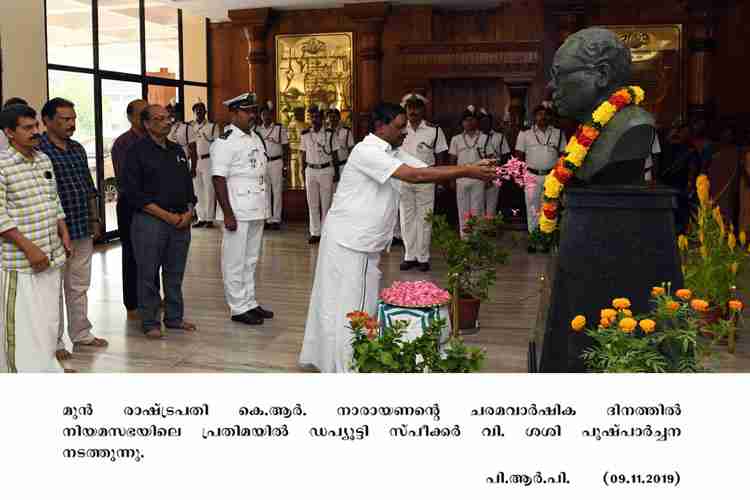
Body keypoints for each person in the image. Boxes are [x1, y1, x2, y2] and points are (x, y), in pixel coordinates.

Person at [299, 102, 497, 373]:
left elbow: (426, 169)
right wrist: (467, 171)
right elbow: (414, 175)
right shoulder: (367, 151)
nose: (405, 131)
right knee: (353, 305)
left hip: (354, 239)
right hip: (350, 241)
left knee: (343, 302)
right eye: (399, 126)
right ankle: (349, 367)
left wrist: (473, 166)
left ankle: (336, 361)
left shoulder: (392, 150)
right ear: (380, 126)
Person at [0, 104, 72, 372]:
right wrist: (29, 249)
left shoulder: (43, 159)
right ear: (9, 132)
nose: (35, 132)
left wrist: (63, 232)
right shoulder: (2, 165)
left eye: (36, 126)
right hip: (20, 264)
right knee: (20, 328)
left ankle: (46, 371)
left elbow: (54, 201)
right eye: (27, 128)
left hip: (51, 256)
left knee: (48, 323)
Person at [38, 98, 108, 360]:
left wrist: (95, 219)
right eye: (65, 119)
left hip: (81, 226)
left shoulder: (77, 148)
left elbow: (88, 188)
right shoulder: (40, 150)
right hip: (53, 231)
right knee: (53, 287)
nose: (71, 124)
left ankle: (81, 333)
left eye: (73, 119)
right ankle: (55, 341)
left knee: (79, 284)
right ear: (47, 121)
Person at [123, 104, 197, 339]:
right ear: (146, 124)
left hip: (180, 222)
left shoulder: (176, 149)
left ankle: (174, 318)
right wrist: (167, 216)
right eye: (160, 119)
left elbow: (188, 187)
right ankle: (150, 322)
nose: (167, 122)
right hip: (150, 221)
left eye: (168, 118)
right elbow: (134, 194)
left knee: (175, 273)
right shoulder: (135, 152)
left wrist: (189, 211)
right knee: (148, 274)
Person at [211, 92, 274, 326]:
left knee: (251, 259)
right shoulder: (225, 142)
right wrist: (227, 213)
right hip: (236, 209)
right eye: (247, 111)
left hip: (256, 206)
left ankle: (249, 301)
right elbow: (218, 179)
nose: (252, 115)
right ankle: (237, 307)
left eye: (253, 111)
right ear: (234, 113)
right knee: (234, 260)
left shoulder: (255, 137)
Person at [398, 93, 448, 272]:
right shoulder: (399, 129)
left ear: (423, 109)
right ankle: (409, 256)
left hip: (426, 179)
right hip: (404, 179)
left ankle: (423, 257)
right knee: (406, 218)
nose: (413, 111)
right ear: (405, 109)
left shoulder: (434, 130)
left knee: (425, 218)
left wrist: (440, 179)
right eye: (410, 107)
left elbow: (440, 156)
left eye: (417, 107)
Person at [112, 99, 148, 319]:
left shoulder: (154, 140)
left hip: (154, 207)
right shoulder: (123, 143)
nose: (146, 119)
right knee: (132, 255)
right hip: (131, 205)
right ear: (131, 117)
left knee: (153, 254)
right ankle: (132, 304)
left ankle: (151, 296)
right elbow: (125, 179)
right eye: (142, 114)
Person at [514, 105, 566, 252]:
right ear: (534, 117)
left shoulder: (559, 133)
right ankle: (534, 239)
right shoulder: (525, 134)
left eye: (545, 114)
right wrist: (519, 176)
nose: (542, 117)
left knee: (549, 208)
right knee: (532, 208)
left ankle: (546, 240)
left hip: (552, 176)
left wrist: (561, 178)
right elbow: (518, 156)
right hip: (531, 175)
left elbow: (564, 156)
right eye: (539, 114)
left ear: (550, 117)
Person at [449, 105, 490, 236]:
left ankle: (476, 238)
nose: (469, 122)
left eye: (472, 119)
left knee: (477, 209)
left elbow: (489, 160)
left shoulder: (485, 138)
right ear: (462, 123)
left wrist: (488, 177)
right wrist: (452, 179)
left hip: (478, 177)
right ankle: (465, 238)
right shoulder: (456, 139)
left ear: (477, 122)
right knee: (463, 209)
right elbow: (452, 160)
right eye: (466, 120)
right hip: (461, 178)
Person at [299, 105, 336, 244]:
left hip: (326, 170)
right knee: (312, 203)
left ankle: (325, 233)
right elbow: (302, 154)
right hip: (311, 170)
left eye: (317, 117)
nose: (314, 119)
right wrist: (303, 171)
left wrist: (336, 172)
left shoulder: (329, 133)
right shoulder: (305, 134)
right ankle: (315, 233)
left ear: (322, 118)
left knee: (326, 204)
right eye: (312, 117)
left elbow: (335, 153)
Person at [257, 102, 289, 230]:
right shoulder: (258, 129)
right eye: (263, 114)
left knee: (277, 191)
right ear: (261, 116)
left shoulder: (279, 128)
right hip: (263, 163)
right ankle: (267, 218)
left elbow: (286, 147)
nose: (265, 116)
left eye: (267, 114)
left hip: (276, 162)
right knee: (265, 191)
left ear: (271, 115)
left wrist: (286, 166)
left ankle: (276, 219)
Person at [190, 102, 221, 228]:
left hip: (208, 160)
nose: (199, 112)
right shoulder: (191, 127)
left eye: (201, 110)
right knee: (197, 190)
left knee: (209, 189)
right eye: (196, 110)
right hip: (195, 161)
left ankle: (209, 218)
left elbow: (218, 145)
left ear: (205, 112)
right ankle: (201, 217)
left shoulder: (212, 126)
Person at [478, 108, 511, 216]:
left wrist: (501, 172)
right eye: (483, 121)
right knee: (478, 204)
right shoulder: (476, 137)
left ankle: (489, 231)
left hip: (495, 173)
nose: (485, 123)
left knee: (492, 205)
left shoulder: (499, 137)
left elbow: (506, 155)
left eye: (487, 121)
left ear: (491, 122)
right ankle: (480, 230)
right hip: (478, 174)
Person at [327, 107, 354, 184]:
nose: (332, 119)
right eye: (330, 117)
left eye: (334, 117)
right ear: (328, 118)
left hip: (343, 166)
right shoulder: (325, 133)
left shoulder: (346, 131)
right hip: (329, 168)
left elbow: (351, 150)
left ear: (339, 118)